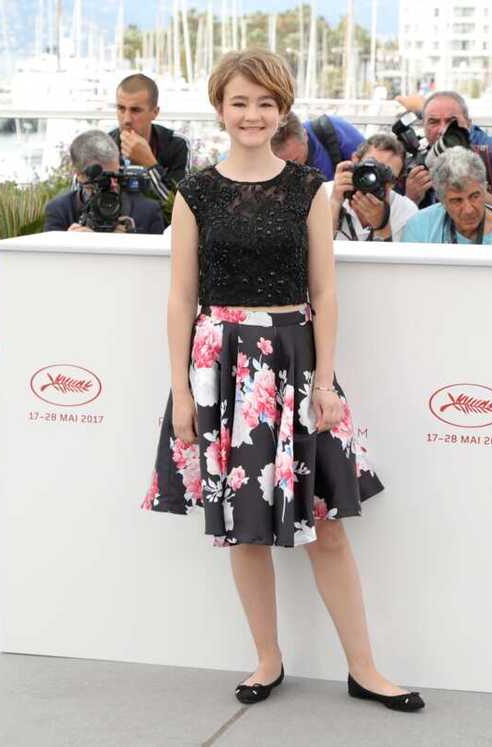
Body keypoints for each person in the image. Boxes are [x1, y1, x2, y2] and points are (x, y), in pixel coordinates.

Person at [140, 49, 423, 711]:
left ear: (281, 110)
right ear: (220, 107)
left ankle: (366, 668)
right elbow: (181, 298)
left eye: (265, 103)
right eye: (240, 102)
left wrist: (326, 384)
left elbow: (325, 292)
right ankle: (266, 659)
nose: (252, 114)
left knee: (326, 522)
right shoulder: (196, 194)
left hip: (296, 366)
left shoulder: (309, 190)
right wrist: (181, 392)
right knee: (244, 525)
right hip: (220, 368)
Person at [401, 90, 492, 218]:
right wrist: (411, 198)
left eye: (451, 122)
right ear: (423, 126)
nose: (443, 130)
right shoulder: (412, 169)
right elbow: (395, 228)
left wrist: (477, 192)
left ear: (468, 124)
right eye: (434, 122)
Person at [44, 130, 165, 234]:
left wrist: (129, 243)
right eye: (102, 179)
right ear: (79, 174)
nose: (112, 184)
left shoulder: (148, 212)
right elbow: (49, 260)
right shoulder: (60, 210)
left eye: (115, 175)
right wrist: (69, 244)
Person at [400, 147, 492, 245]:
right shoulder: (419, 226)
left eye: (474, 196)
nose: (468, 210)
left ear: (485, 189)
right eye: (457, 201)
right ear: (441, 200)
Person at [109, 73, 190, 204]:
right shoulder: (104, 145)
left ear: (155, 112)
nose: (126, 119)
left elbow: (179, 207)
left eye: (135, 110)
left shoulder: (176, 144)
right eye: (121, 108)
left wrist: (150, 165)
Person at [328, 134, 418, 242]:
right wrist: (334, 203)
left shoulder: (406, 210)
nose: (377, 180)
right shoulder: (323, 192)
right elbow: (316, 250)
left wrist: (382, 226)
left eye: (386, 175)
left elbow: (394, 259)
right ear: (355, 161)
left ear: (396, 182)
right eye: (371, 169)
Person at [270, 110, 366, 180]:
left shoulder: (336, 131)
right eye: (281, 165)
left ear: (305, 135)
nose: (290, 170)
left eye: (295, 160)